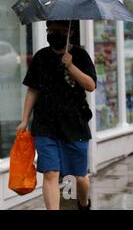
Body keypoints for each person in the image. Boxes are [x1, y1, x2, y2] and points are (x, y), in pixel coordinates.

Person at [17, 20, 97, 210]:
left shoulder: (80, 55)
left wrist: (71, 66)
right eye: (50, 30)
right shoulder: (41, 57)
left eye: (59, 31)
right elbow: (33, 90)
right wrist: (24, 119)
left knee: (79, 176)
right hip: (45, 124)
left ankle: (83, 203)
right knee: (50, 173)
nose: (54, 34)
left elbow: (91, 85)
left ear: (70, 32)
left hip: (74, 125)